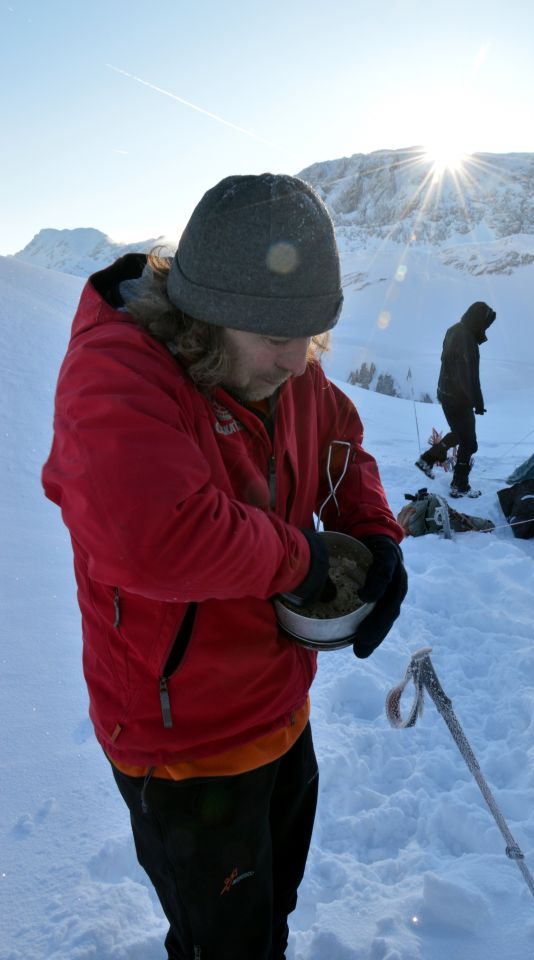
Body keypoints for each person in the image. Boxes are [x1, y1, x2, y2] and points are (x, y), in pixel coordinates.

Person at [41, 173, 407, 960]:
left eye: (309, 336)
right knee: (223, 944)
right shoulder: (118, 375)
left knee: (268, 914)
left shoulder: (288, 368)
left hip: (278, 709)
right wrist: (299, 557)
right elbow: (153, 534)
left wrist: (374, 538)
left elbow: (341, 441)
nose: (295, 359)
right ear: (206, 316)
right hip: (183, 745)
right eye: (275, 337)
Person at [415, 300, 496, 497]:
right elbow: (470, 376)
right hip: (460, 398)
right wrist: (477, 402)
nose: (486, 328)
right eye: (485, 324)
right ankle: (459, 485)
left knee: (459, 435)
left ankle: (427, 459)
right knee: (469, 443)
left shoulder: (453, 331)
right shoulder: (468, 340)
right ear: (478, 321)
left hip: (445, 393)